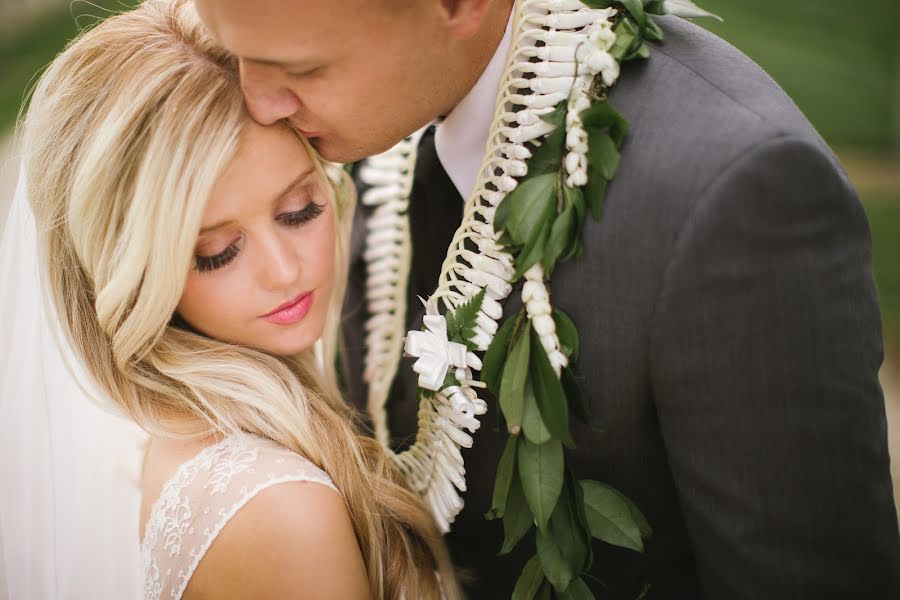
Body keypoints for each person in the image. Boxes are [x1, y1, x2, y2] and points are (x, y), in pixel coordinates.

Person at [193, 0, 900, 597]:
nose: (258, 103)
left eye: (302, 69)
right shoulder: (372, 118)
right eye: (241, 56)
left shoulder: (734, 193)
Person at [8, 1, 463, 598]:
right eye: (218, 252)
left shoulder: (182, 435)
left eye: (299, 210)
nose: (283, 270)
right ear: (139, 276)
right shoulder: (279, 511)